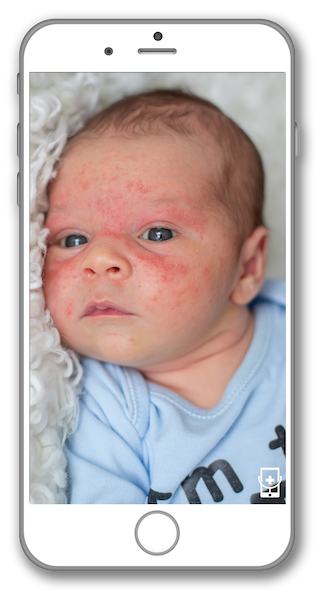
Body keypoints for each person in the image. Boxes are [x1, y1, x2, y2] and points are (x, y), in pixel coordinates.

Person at [42, 89, 286, 504]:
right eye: (73, 238)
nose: (99, 259)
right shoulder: (99, 410)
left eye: (157, 233)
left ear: (246, 267)